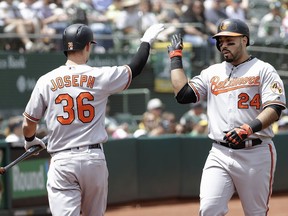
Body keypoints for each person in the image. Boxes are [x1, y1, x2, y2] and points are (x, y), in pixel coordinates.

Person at [21, 22, 164, 216]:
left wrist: (30, 140)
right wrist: (146, 41)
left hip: (62, 160)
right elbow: (135, 68)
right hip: (93, 159)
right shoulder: (99, 76)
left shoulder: (45, 80)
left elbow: (29, 123)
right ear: (88, 46)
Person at [167, 18, 286, 215]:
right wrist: (175, 57)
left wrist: (248, 128)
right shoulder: (212, 72)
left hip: (255, 152)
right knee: (209, 209)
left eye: (230, 41)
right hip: (219, 152)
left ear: (245, 41)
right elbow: (183, 95)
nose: (224, 45)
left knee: (256, 213)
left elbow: (274, 108)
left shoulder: (263, 69)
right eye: (221, 41)